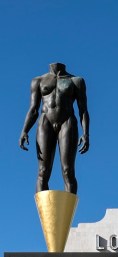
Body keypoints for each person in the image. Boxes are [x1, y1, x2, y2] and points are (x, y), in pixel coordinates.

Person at [19, 63, 89, 194]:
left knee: (68, 171)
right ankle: (44, 213)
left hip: (67, 121)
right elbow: (33, 109)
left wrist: (86, 134)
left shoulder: (76, 81)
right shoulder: (38, 80)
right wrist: (25, 130)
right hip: (46, 122)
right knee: (42, 171)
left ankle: (68, 213)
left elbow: (83, 110)